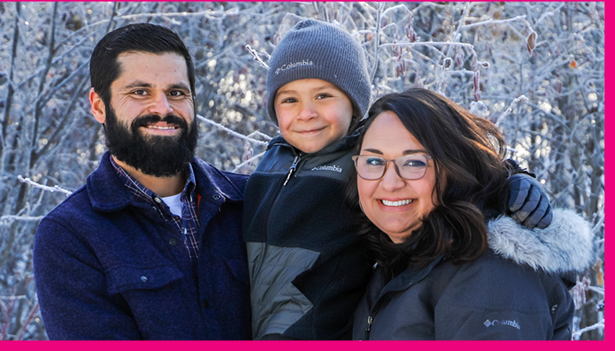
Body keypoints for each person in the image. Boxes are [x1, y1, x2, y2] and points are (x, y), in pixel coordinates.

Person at [242, 19, 567, 340]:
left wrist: (511, 182)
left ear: (354, 104)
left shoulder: (360, 151)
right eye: (289, 99)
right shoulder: (271, 162)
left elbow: (458, 156)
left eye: (323, 96)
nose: (306, 112)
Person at [33, 23, 251, 340]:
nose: (162, 109)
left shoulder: (251, 201)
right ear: (99, 105)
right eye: (140, 92)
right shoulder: (71, 235)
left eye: (177, 93)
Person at [350, 89, 594, 340]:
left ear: (454, 168)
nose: (389, 183)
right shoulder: (395, 260)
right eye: (374, 162)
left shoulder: (492, 276)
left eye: (414, 163)